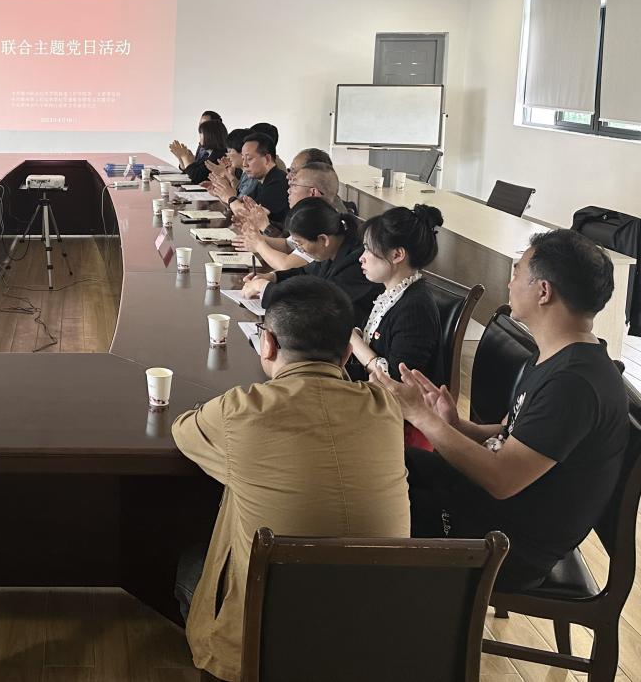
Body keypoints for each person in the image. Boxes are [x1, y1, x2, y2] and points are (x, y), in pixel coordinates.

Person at [172, 276, 410, 681]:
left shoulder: (242, 410)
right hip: (374, 634)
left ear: (267, 344)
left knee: (190, 565)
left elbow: (183, 431)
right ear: (346, 353)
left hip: (270, 634)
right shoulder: (385, 409)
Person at [375, 229, 629, 592]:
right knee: (382, 462)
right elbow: (509, 433)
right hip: (491, 510)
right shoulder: (559, 355)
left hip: (509, 546)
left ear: (544, 291)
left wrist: (422, 418)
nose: (509, 284)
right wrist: (454, 424)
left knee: (372, 505)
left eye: (517, 273)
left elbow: (501, 479)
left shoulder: (574, 384)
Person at [345, 205, 446, 450]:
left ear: (397, 254)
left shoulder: (415, 307)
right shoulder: (392, 292)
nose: (361, 257)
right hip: (376, 405)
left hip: (401, 427)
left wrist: (354, 341)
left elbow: (395, 381)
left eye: (369, 249)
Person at [242, 197, 381, 325]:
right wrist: (272, 277)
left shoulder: (358, 263)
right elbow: (304, 273)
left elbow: (315, 303)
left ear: (323, 239)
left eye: (300, 244)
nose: (300, 250)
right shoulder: (331, 251)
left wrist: (265, 288)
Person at [234, 161, 346, 272]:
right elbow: (288, 245)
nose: (288, 190)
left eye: (294, 185)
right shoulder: (309, 214)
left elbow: (287, 265)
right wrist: (254, 237)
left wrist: (259, 244)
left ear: (312, 193)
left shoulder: (321, 221)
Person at [210, 131, 290, 228]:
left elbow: (251, 217)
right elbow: (241, 207)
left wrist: (230, 198)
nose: (244, 164)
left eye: (249, 159)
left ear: (267, 159)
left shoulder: (278, 182)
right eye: (243, 159)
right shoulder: (261, 180)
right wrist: (222, 193)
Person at [169, 119, 227, 183]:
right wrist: (181, 158)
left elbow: (195, 177)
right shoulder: (208, 153)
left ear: (209, 135)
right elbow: (189, 172)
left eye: (201, 133)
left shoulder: (219, 155)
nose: (199, 136)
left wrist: (184, 157)